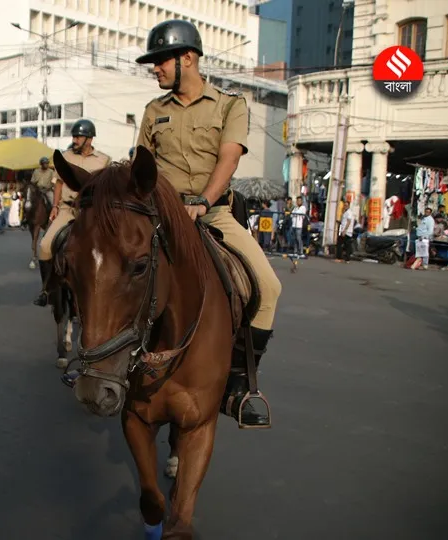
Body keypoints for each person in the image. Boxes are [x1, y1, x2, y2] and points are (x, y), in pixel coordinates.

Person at [135, 19, 282, 427]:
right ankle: (104, 362)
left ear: (188, 58)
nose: (155, 68)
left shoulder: (230, 105)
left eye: (161, 60)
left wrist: (203, 201)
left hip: (213, 212)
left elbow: (229, 158)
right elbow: (141, 168)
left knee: (269, 288)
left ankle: (237, 382)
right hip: (161, 213)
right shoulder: (153, 111)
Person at [33, 119, 111, 307]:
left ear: (90, 139)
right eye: (74, 136)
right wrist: (55, 207)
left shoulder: (104, 160)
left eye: (78, 136)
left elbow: (108, 187)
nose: (75, 140)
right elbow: (59, 183)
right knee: (44, 246)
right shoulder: (65, 157)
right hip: (68, 209)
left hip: (93, 212)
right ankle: (46, 289)